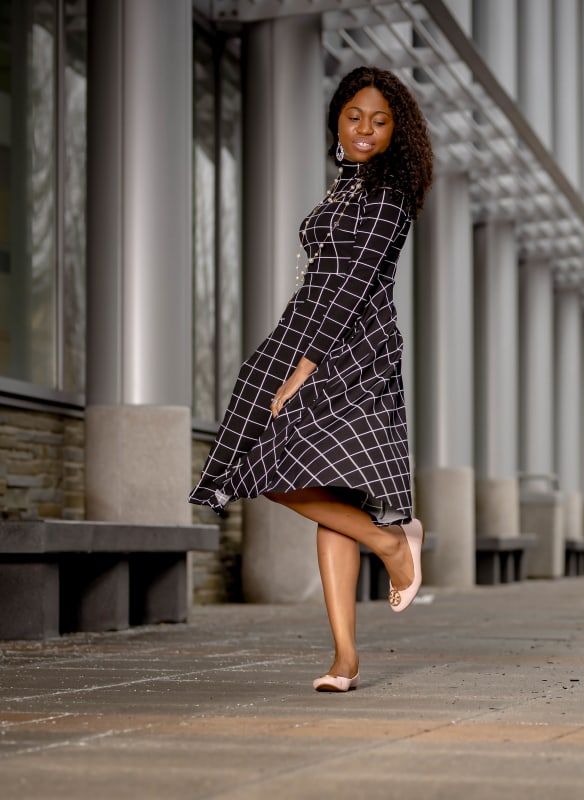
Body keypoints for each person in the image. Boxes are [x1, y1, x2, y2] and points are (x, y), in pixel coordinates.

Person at [190, 66, 435, 693]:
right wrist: (282, 350)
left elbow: (350, 287)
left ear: (395, 132)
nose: (365, 129)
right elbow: (318, 285)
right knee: (308, 485)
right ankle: (347, 653)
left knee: (281, 472)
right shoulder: (345, 188)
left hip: (354, 351)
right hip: (307, 332)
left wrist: (303, 368)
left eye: (380, 121)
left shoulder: (388, 196)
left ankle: (388, 548)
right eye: (355, 116)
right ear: (337, 120)